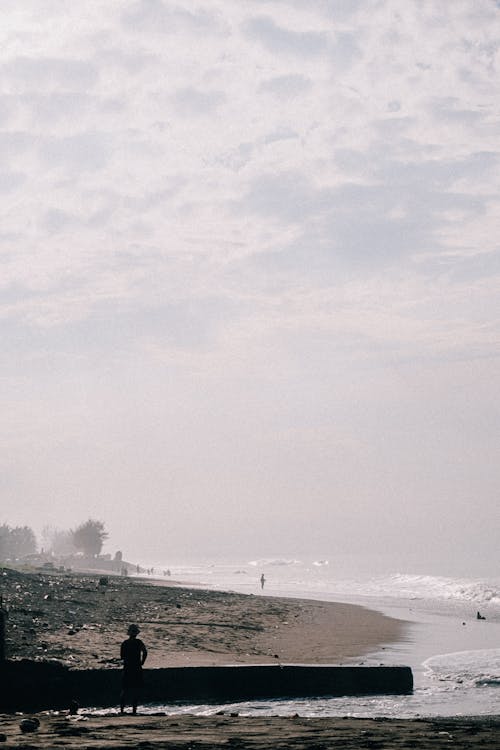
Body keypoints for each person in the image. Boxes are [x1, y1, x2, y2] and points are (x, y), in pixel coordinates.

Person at [120, 624, 148, 714]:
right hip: (136, 667)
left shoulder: (124, 643)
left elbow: (122, 656)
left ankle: (122, 710)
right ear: (136, 634)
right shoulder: (139, 642)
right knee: (136, 689)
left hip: (127, 667)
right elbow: (145, 652)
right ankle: (134, 710)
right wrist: (142, 662)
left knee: (125, 689)